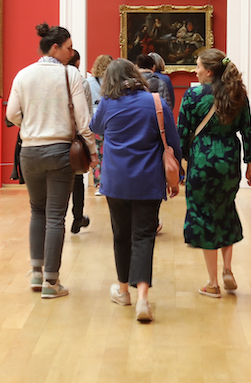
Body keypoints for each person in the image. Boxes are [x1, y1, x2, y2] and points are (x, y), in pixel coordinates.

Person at [5, 23, 97, 300]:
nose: (71, 53)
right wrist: (92, 151)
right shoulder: (71, 75)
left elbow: (12, 114)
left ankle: (35, 273)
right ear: (55, 47)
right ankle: (51, 282)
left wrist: (32, 125)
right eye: (68, 48)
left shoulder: (23, 74)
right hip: (60, 151)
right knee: (56, 216)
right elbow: (83, 120)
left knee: (37, 211)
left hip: (30, 152)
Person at [90, 58, 182, 323]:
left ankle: (122, 291)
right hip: (148, 181)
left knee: (121, 235)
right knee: (143, 236)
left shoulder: (108, 103)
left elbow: (95, 128)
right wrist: (177, 179)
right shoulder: (155, 102)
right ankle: (143, 297)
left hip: (116, 181)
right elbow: (172, 143)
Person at [176, 48, 251, 299]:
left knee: (203, 217)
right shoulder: (238, 94)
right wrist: (250, 165)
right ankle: (228, 269)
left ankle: (212, 283)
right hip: (229, 160)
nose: (195, 70)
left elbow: (182, 133)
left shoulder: (193, 95)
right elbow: (248, 132)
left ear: (209, 71)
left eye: (198, 66)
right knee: (225, 210)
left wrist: (179, 164)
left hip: (202, 161)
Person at [67, 49, 91, 235]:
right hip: (76, 136)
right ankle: (77, 217)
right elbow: (86, 113)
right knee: (77, 179)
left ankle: (58, 219)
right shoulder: (82, 82)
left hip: (57, 135)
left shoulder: (54, 79)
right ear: (78, 63)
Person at [87, 54, 113, 194]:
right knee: (112, 152)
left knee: (97, 153)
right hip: (111, 121)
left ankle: (99, 185)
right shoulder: (114, 81)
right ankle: (112, 182)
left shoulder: (90, 81)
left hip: (96, 121)